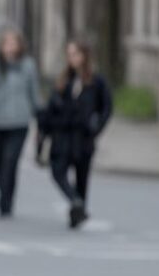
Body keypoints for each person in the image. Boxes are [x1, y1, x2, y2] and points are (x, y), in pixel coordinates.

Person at [37, 39, 112, 228]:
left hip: (83, 136)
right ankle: (75, 201)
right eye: (69, 54)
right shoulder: (63, 80)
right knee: (57, 171)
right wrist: (42, 136)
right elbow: (50, 110)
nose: (71, 58)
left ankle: (78, 212)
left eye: (75, 54)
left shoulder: (96, 81)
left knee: (82, 176)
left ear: (84, 56)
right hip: (62, 135)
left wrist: (96, 127)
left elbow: (106, 107)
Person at [0, 29, 42, 218]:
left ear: (20, 46)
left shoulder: (28, 67)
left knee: (11, 161)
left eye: (14, 43)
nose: (10, 47)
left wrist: (40, 121)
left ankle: (6, 199)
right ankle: (2, 190)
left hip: (19, 122)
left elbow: (34, 94)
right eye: (6, 43)